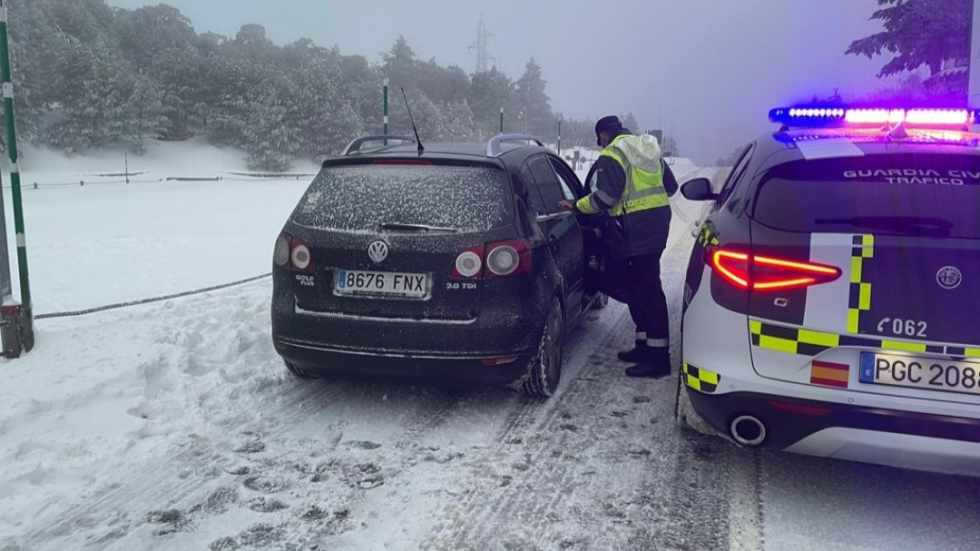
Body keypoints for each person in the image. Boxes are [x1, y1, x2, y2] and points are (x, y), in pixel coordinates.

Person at [560, 116, 678, 378]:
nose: (599, 142)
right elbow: (671, 187)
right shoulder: (646, 149)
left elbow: (604, 197)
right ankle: (644, 346)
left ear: (603, 134)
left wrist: (577, 206)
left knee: (648, 290)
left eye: (599, 138)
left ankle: (659, 360)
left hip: (634, 229)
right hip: (656, 225)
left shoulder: (613, 154)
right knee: (639, 286)